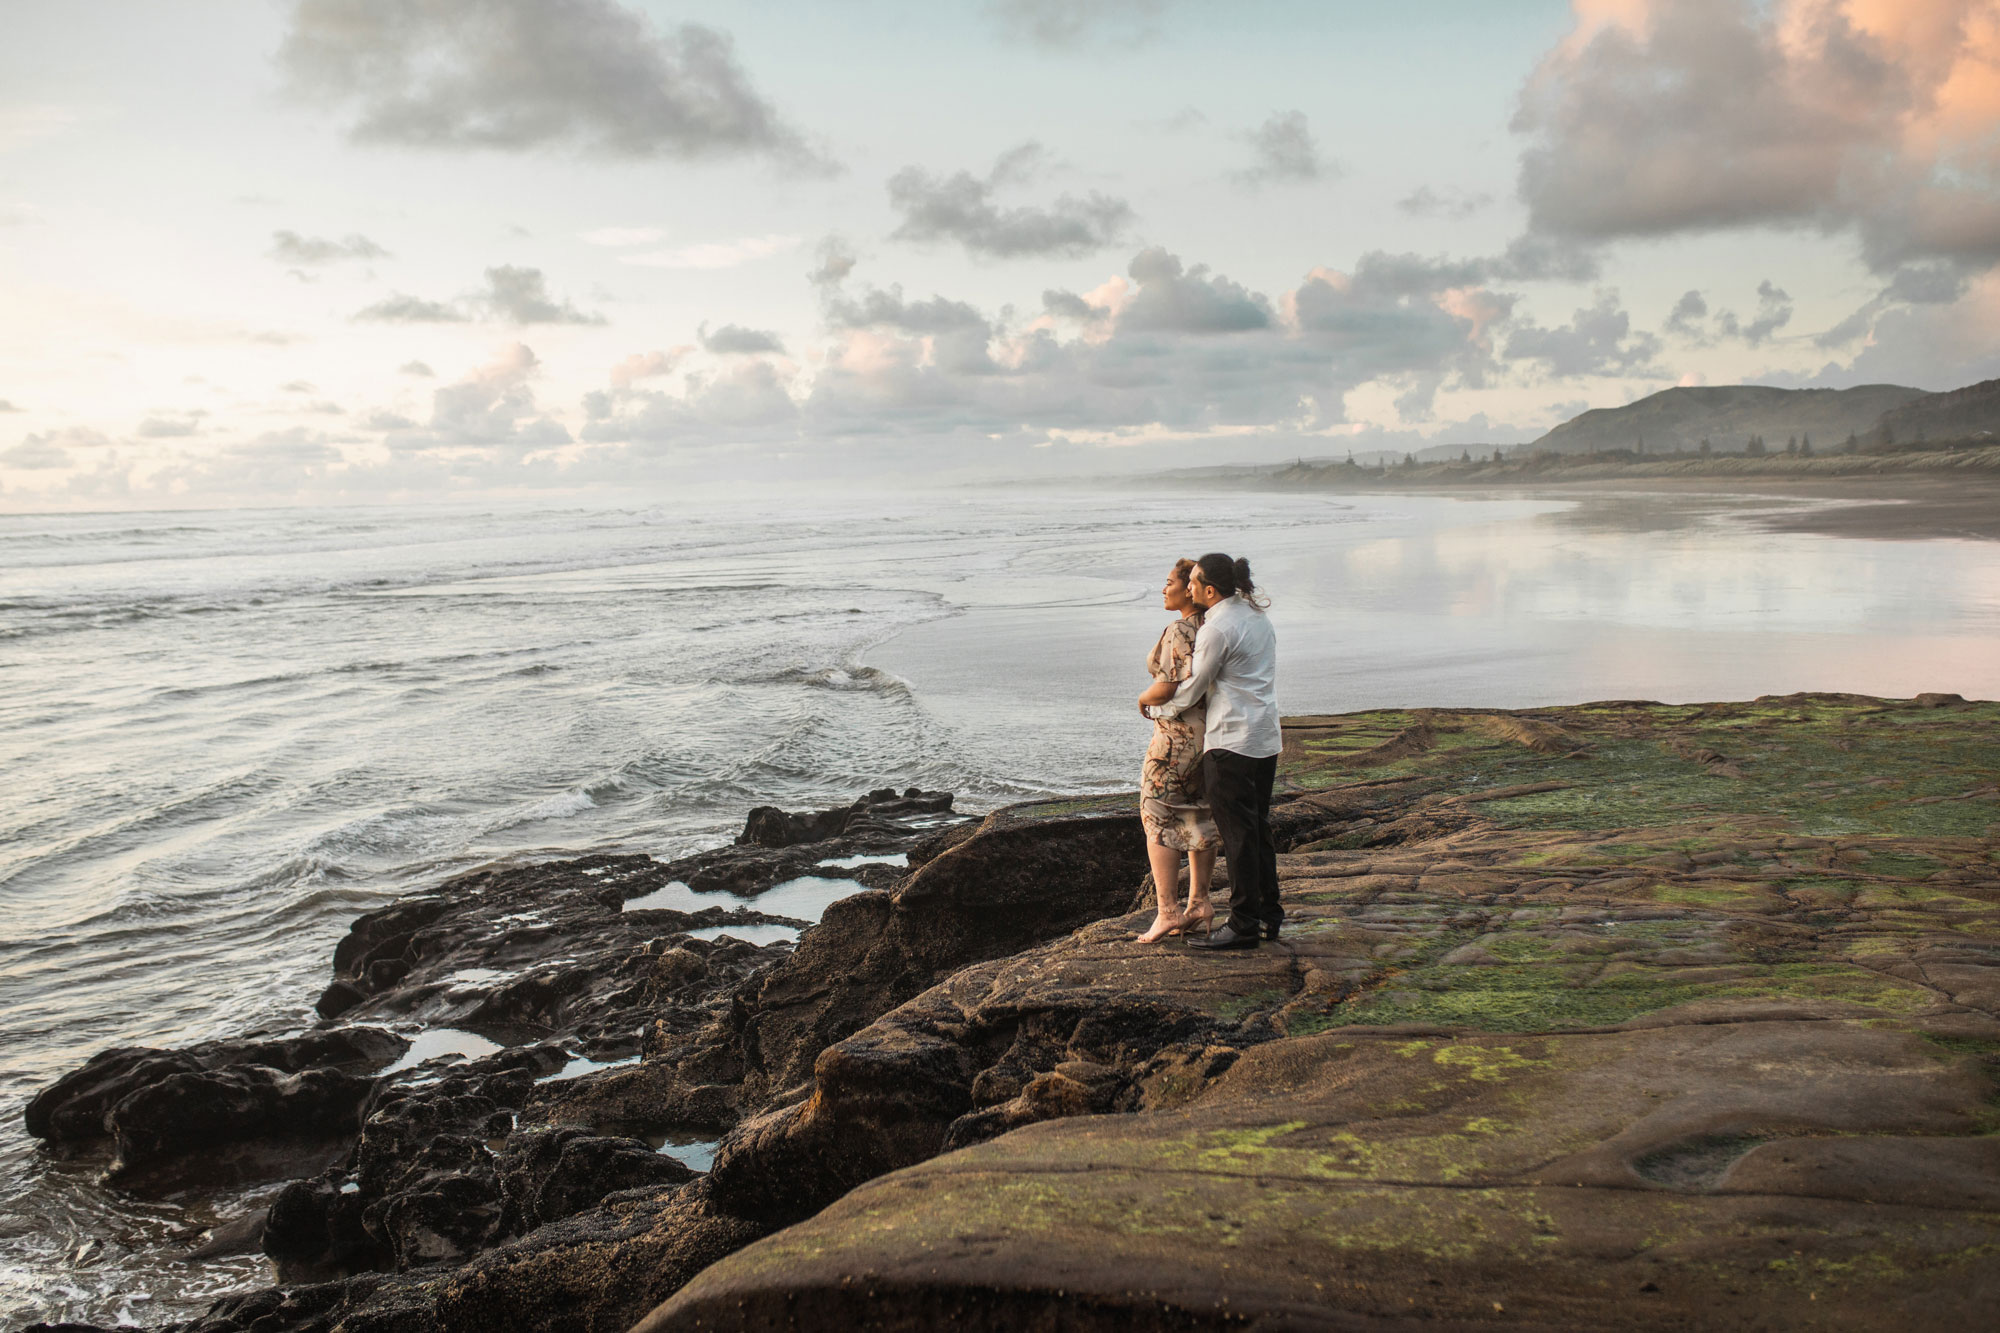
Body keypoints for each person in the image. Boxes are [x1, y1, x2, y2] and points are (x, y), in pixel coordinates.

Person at [1145, 552, 1280, 950]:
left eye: (1194, 583)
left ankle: (1242, 925)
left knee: (1238, 836)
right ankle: (1269, 916)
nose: (1188, 588)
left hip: (1231, 742)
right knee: (1257, 831)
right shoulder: (1256, 616)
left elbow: (1193, 687)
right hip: (1265, 739)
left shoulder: (1217, 627)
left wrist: (1157, 707)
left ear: (1209, 589)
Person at [1133, 559, 1220, 942]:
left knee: (1155, 811)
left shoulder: (1181, 629)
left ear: (1190, 590)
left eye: (1168, 582)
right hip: (1210, 737)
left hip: (1175, 740)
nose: (1163, 589)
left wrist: (1142, 697)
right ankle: (1199, 901)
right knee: (1199, 812)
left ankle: (1167, 910)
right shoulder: (1214, 626)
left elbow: (1166, 688)